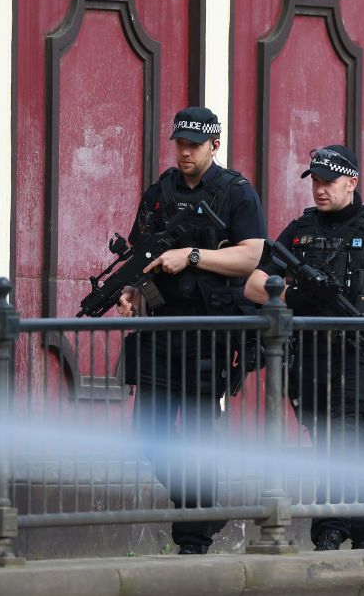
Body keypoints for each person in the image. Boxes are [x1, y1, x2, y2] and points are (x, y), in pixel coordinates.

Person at [244, 144, 364, 551]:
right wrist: (292, 294)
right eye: (315, 181)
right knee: (323, 438)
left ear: (351, 183)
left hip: (357, 353)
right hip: (310, 353)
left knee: (347, 438)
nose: (319, 190)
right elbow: (255, 284)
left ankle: (329, 528)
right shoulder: (299, 230)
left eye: (328, 182)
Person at [115, 106, 266, 555]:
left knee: (200, 437)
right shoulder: (159, 193)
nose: (185, 152)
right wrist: (131, 294)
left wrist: (193, 255)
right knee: (150, 437)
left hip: (210, 332)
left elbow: (252, 256)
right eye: (180, 143)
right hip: (161, 330)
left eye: (194, 145)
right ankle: (206, 511)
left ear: (214, 146)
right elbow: (140, 257)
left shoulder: (237, 193)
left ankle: (192, 542)